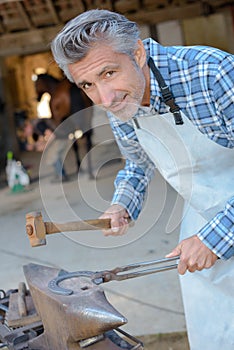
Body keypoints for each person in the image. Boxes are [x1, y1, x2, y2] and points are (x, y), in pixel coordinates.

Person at [50, 9, 234, 350]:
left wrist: (216, 237)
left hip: (222, 219)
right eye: (88, 84)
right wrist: (123, 203)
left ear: (137, 53)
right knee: (215, 322)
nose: (104, 98)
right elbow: (138, 163)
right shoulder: (122, 102)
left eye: (109, 73)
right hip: (202, 216)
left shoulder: (211, 73)